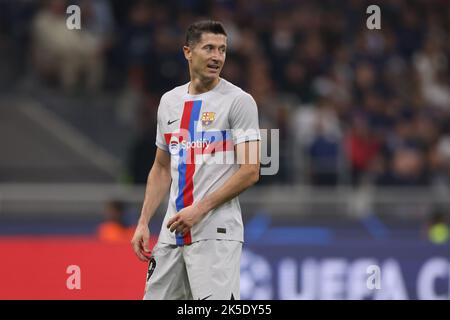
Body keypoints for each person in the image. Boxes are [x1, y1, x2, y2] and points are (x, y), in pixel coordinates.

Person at [131, 20, 261, 300]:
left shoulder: (239, 101)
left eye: (223, 50)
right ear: (188, 52)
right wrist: (143, 221)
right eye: (209, 48)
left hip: (216, 232)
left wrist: (199, 209)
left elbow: (251, 170)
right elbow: (161, 167)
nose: (217, 56)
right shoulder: (169, 101)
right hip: (171, 233)